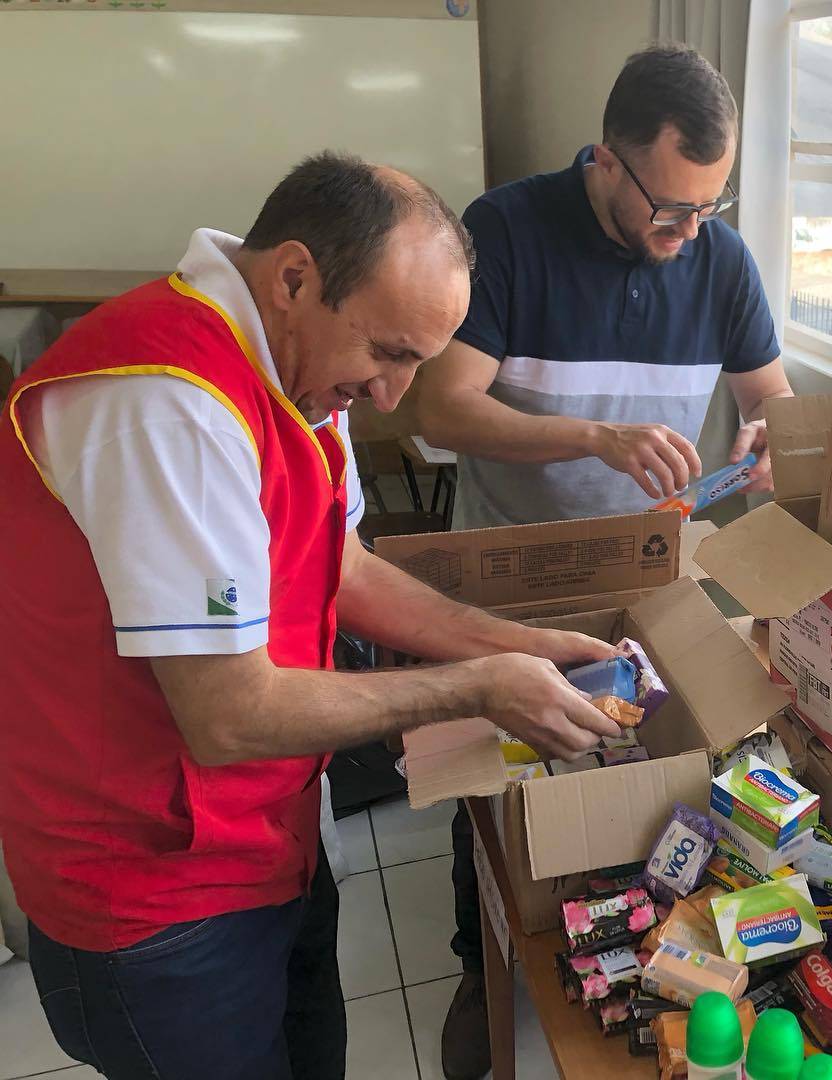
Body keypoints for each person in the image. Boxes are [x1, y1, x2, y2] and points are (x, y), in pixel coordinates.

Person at [0, 152, 623, 1080]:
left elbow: (341, 567)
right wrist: (480, 688)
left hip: (265, 838)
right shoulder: (168, 404)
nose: (392, 397)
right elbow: (228, 714)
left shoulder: (296, 365)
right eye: (388, 353)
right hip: (151, 891)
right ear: (294, 277)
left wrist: (519, 643)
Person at [416, 43, 794, 1079]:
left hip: (652, 572)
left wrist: (769, 437)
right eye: (667, 210)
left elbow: (772, 397)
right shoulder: (504, 230)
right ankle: (477, 958)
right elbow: (440, 406)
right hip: (517, 570)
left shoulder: (719, 259)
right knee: (498, 783)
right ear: (607, 156)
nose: (683, 238)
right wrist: (596, 436)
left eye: (706, 211)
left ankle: (622, 948)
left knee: (646, 771)